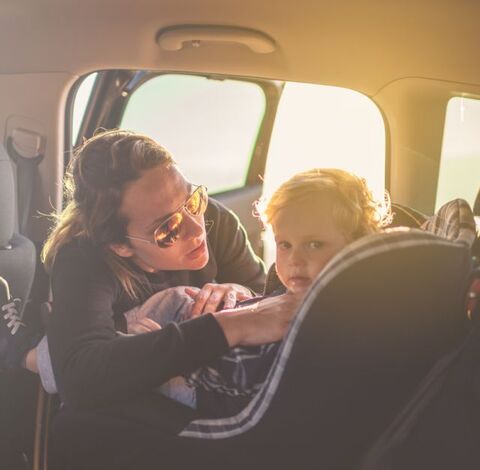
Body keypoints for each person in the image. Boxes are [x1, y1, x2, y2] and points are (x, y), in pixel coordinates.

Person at [0, 130, 299, 426]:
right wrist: (227, 327)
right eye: (168, 229)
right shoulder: (84, 259)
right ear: (120, 245)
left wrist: (239, 291)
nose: (197, 229)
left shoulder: (217, 222)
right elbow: (79, 377)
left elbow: (267, 302)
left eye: (192, 201)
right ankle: (20, 348)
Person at [99, 168, 391, 417]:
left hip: (207, 390)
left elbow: (243, 378)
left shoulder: (328, 321)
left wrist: (152, 353)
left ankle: (113, 349)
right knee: (179, 300)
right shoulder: (296, 295)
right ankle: (111, 345)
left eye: (314, 244)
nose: (294, 260)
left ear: (358, 245)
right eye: (284, 244)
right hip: (208, 358)